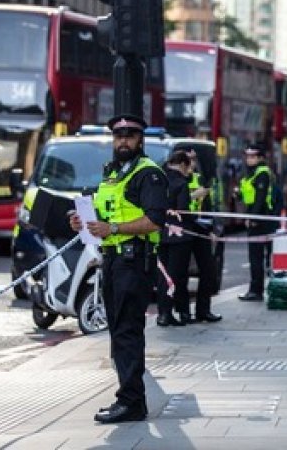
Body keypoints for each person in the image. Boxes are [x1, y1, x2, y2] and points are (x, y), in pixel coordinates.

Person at [68, 114, 168, 424]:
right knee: (118, 330)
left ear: (141, 139)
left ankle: (132, 402)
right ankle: (129, 396)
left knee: (127, 330)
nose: (123, 140)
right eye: (118, 135)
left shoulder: (148, 175)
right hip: (113, 260)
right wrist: (82, 222)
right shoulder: (113, 176)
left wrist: (112, 228)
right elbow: (103, 213)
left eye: (130, 135)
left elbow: (153, 220)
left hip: (133, 260)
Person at [183, 148, 222, 322]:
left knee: (208, 270)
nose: (192, 163)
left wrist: (212, 229)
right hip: (183, 229)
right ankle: (183, 312)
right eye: (188, 159)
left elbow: (208, 206)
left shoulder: (200, 179)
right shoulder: (174, 178)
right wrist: (192, 196)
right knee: (180, 273)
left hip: (200, 228)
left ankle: (203, 311)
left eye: (194, 159)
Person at [156, 150, 194, 327]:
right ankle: (173, 313)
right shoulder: (181, 183)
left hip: (160, 235)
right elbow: (184, 211)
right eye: (188, 168)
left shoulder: (158, 181)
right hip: (179, 238)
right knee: (177, 276)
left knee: (163, 275)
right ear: (183, 165)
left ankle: (162, 313)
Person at [238, 143, 278, 301]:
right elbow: (249, 196)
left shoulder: (262, 173)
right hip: (255, 216)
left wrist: (253, 219)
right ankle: (255, 289)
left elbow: (260, 199)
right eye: (247, 156)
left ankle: (256, 290)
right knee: (254, 256)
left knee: (256, 257)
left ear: (261, 158)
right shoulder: (251, 173)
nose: (249, 159)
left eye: (253, 156)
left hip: (261, 219)